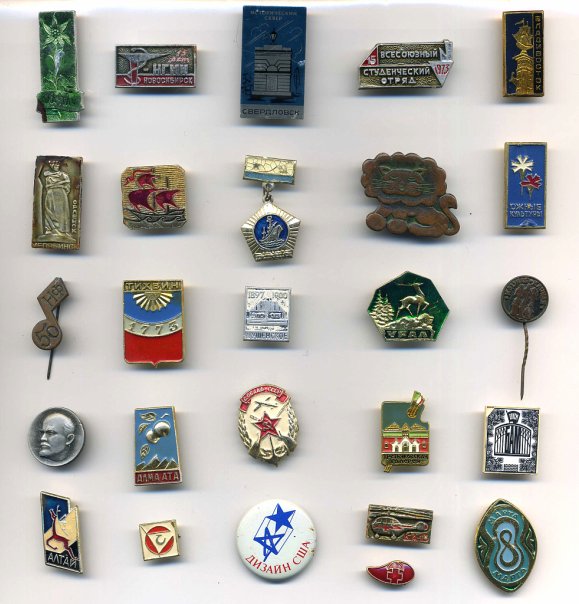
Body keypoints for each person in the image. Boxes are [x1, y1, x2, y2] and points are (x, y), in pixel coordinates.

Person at [41, 159, 74, 241]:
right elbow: (47, 186)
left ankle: (63, 231)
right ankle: (50, 229)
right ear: (51, 166)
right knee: (49, 210)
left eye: (58, 164)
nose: (57, 166)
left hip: (61, 194)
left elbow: (68, 186)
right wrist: (59, 184)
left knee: (63, 212)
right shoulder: (48, 176)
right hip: (51, 194)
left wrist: (61, 187)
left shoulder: (64, 175)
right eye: (54, 164)